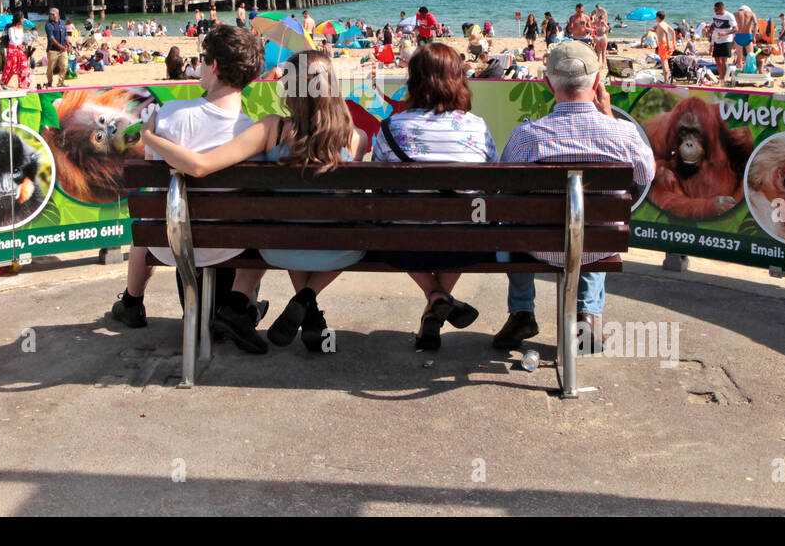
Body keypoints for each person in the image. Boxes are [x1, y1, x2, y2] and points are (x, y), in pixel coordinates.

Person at [141, 50, 369, 351]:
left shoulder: (271, 129)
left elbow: (200, 166)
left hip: (277, 247)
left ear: (291, 89)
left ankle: (287, 309)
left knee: (286, 222)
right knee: (335, 226)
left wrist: (150, 136)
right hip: (338, 252)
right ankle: (306, 299)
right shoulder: (357, 138)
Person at [110, 25, 268, 350]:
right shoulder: (252, 132)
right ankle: (238, 308)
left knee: (150, 221)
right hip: (230, 246)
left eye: (203, 58)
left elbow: (154, 167)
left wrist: (151, 136)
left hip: (170, 241)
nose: (199, 65)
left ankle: (132, 302)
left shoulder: (171, 116)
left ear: (214, 67)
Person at [495, 41, 655, 350]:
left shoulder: (526, 137)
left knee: (512, 225)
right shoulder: (624, 135)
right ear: (597, 83)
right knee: (595, 223)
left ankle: (522, 312)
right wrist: (607, 114)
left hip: (535, 246)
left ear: (547, 84)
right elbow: (645, 176)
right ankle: (588, 316)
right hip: (596, 246)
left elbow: (505, 192)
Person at [370, 43, 497, 350]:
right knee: (466, 225)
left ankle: (435, 296)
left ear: (413, 81)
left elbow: (378, 189)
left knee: (394, 223)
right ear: (458, 80)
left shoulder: (389, 128)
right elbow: (492, 184)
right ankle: (438, 301)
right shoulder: (476, 127)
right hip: (466, 247)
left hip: (403, 246)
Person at [2, 12, 32, 89]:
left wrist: (24, 43)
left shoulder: (21, 28)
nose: (23, 20)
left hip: (20, 49)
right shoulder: (11, 28)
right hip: (13, 49)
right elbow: (12, 39)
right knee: (10, 68)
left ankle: (24, 85)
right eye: (22, 18)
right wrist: (18, 45)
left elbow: (21, 39)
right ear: (19, 19)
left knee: (24, 66)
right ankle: (3, 83)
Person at [709, 1, 738, 80]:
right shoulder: (715, 15)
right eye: (714, 10)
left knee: (723, 59)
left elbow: (736, 29)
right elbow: (712, 24)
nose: (715, 11)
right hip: (717, 39)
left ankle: (723, 78)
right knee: (717, 59)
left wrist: (725, 33)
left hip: (726, 40)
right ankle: (721, 76)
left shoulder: (729, 16)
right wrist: (710, 29)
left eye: (716, 10)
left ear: (722, 8)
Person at [44, 7, 68, 88]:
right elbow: (51, 38)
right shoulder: (48, 25)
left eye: (52, 14)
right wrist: (60, 46)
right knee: (50, 68)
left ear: (57, 14)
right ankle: (49, 82)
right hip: (52, 50)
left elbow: (65, 35)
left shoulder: (63, 23)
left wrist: (68, 43)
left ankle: (61, 82)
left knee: (64, 66)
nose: (50, 16)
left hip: (62, 50)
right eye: (50, 14)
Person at [653, 10, 676, 82]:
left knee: (664, 62)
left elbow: (666, 32)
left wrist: (669, 43)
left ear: (658, 17)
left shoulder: (660, 24)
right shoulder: (664, 23)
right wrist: (673, 42)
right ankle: (666, 79)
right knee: (665, 61)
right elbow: (673, 31)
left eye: (656, 17)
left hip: (663, 44)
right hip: (666, 44)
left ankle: (666, 81)